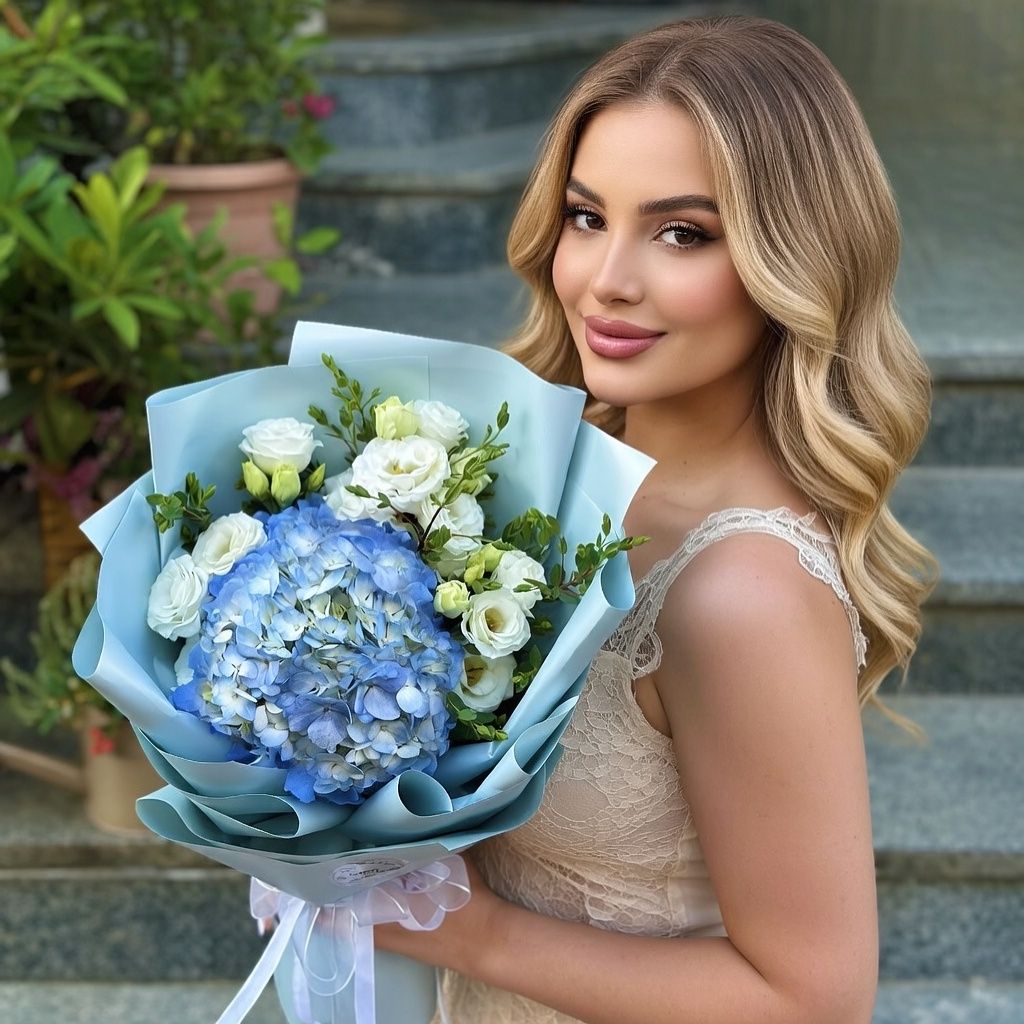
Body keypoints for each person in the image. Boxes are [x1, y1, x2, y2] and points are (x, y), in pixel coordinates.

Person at [375, 14, 937, 1024]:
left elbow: (813, 1003)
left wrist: (466, 930)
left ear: (792, 259)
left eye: (682, 233)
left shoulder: (743, 593)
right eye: (587, 217)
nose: (608, 280)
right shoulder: (537, 486)